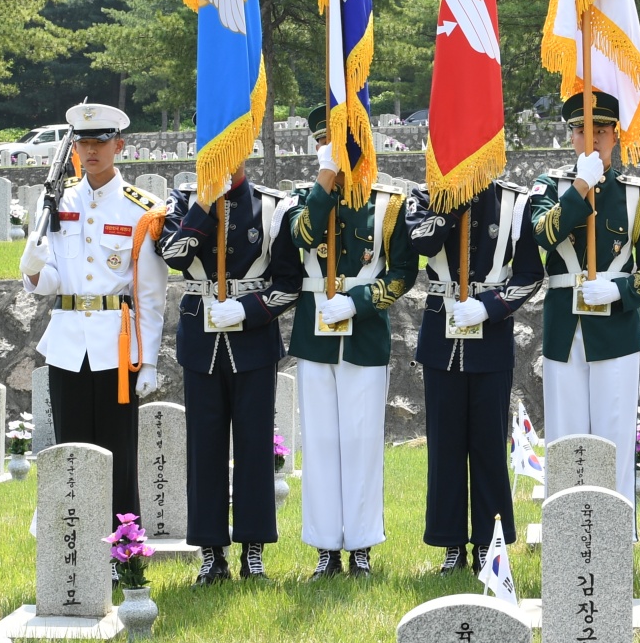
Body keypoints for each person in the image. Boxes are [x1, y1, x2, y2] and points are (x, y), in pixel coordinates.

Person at [15, 102, 168, 528]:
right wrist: (31, 269)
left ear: (118, 145)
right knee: (71, 453)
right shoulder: (55, 204)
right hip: (67, 344)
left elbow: (151, 293)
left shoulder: (143, 209)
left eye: (100, 142)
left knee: (118, 453)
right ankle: (76, 545)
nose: (91, 151)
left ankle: (123, 550)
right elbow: (51, 282)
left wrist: (150, 359)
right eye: (83, 143)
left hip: (116, 347)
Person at [156, 154, 303, 582]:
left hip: (253, 340)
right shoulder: (182, 204)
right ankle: (210, 550)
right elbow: (175, 255)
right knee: (204, 447)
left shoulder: (273, 208)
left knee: (255, 446)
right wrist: (205, 202)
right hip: (201, 340)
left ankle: (253, 549)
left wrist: (246, 310)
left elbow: (288, 285)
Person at [283, 107, 414, 577]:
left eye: (343, 143)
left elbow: (402, 274)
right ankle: (324, 548)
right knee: (319, 442)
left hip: (363, 335)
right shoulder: (305, 199)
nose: (338, 151)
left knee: (360, 441)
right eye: (327, 142)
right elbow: (301, 236)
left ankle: (360, 546)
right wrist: (324, 179)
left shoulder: (387, 204)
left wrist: (360, 301)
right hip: (315, 337)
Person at [526, 91, 640, 496]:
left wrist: (622, 289)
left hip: (616, 330)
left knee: (614, 438)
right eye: (581, 132)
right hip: (564, 331)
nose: (591, 141)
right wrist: (580, 187)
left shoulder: (636, 195)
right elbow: (543, 233)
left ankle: (615, 538)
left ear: (616, 135)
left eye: (601, 131)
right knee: (566, 440)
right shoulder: (549, 187)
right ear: (570, 136)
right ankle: (571, 538)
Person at [403, 171, 543, 572]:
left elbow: (530, 273)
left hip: (491, 335)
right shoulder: (425, 194)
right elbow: (422, 241)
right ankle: (451, 544)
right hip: (440, 335)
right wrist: (452, 201)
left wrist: (490, 307)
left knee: (488, 445)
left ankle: (488, 541)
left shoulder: (515, 201)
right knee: (445, 447)